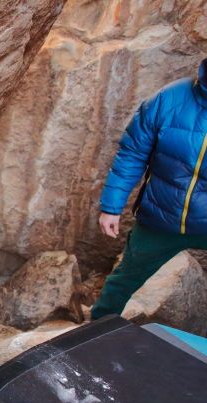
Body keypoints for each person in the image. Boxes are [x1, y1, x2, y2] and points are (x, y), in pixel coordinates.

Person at [91, 58, 207, 320]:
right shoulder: (170, 98)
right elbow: (132, 153)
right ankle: (92, 335)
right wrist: (111, 207)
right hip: (161, 218)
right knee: (121, 283)